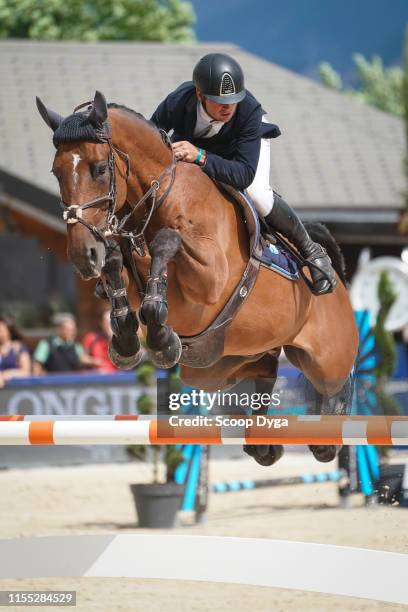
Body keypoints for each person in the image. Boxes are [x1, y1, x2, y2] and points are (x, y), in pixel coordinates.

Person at [150, 53, 336, 295]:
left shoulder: (248, 111)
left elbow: (243, 175)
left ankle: (311, 249)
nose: (228, 107)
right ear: (199, 94)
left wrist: (199, 156)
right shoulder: (178, 101)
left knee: (258, 194)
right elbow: (151, 138)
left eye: (233, 100)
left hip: (239, 153)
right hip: (196, 146)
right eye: (219, 101)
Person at [33, 313, 100, 374]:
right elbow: (37, 365)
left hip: (71, 384)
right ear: (59, 329)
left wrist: (95, 361)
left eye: (73, 330)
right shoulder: (46, 344)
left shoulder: (75, 345)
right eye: (68, 330)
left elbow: (83, 359)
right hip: (52, 384)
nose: (72, 333)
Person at [82, 309, 118, 374]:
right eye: (106, 321)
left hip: (116, 375)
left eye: (111, 321)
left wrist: (112, 338)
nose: (109, 324)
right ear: (101, 323)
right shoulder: (91, 338)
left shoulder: (120, 339)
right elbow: (83, 358)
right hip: (97, 375)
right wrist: (94, 361)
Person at [0, 317, 31, 387]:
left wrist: (6, 374)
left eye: (1, 330)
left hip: (14, 390)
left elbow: (26, 372)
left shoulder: (18, 348)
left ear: (9, 331)